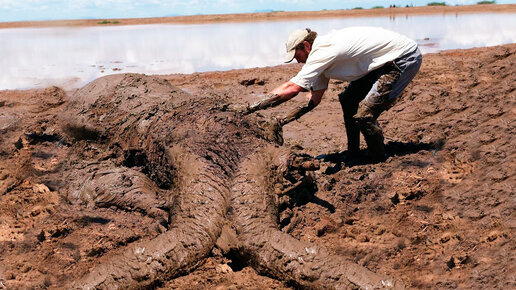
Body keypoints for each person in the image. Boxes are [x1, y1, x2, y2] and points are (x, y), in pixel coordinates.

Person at [243, 27, 422, 162]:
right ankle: (354, 153)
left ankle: (377, 159)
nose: (296, 61)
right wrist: (283, 121)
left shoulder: (323, 50)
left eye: (296, 55)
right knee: (347, 99)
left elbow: (292, 87)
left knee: (365, 115)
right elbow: (315, 98)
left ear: (306, 45)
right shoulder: (320, 60)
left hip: (402, 58)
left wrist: (247, 109)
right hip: (381, 62)